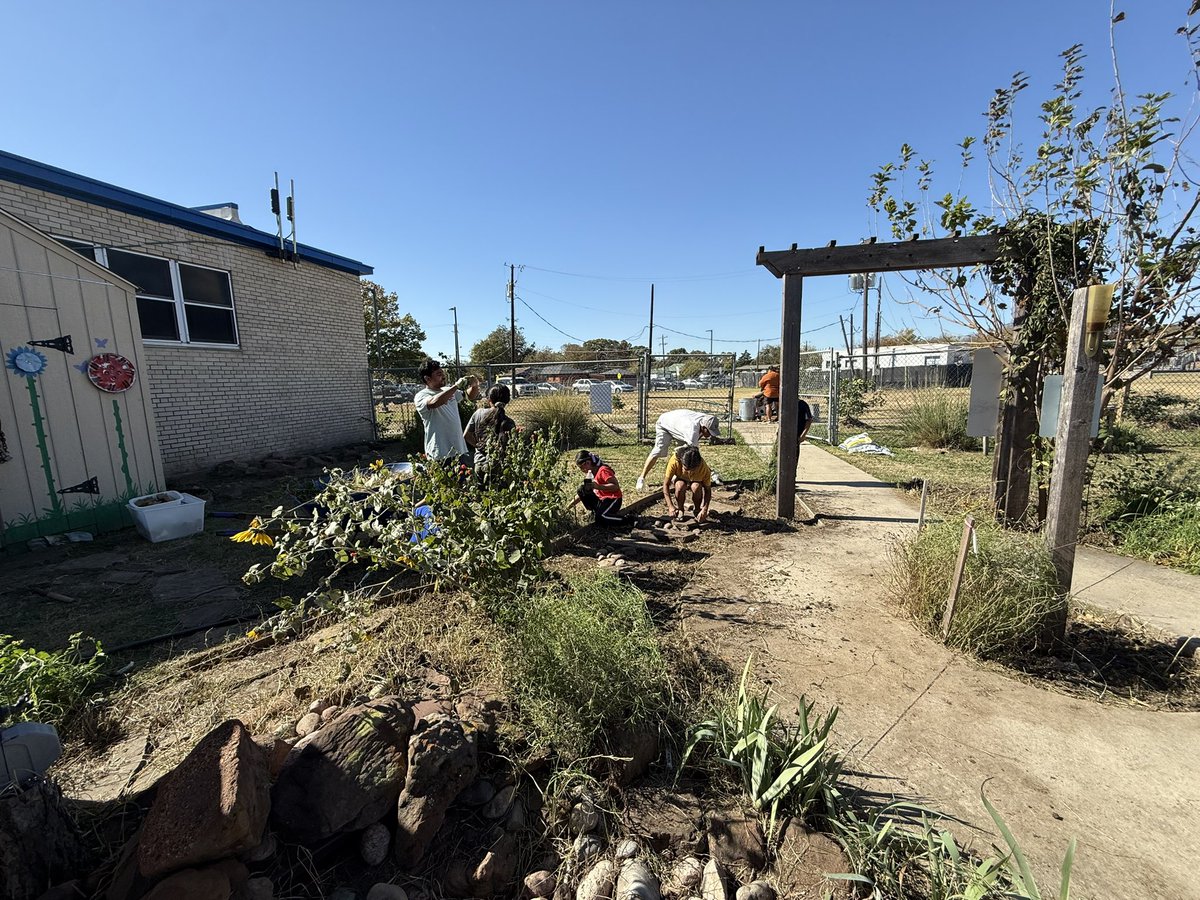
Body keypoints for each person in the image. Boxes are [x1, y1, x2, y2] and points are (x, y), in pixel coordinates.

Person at [414, 359, 481, 465]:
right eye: (439, 374)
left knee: (463, 481)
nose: (443, 376)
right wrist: (455, 387)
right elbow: (434, 403)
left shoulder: (448, 390)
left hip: (459, 450)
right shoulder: (422, 395)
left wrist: (474, 385)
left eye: (442, 373)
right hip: (440, 452)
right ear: (427, 378)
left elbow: (469, 396)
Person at [635, 409, 721, 490]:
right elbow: (695, 455)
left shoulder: (707, 419)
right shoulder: (692, 431)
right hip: (665, 424)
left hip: (679, 425)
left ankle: (676, 476)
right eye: (709, 432)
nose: (710, 435)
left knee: (685, 452)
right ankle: (641, 478)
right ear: (703, 427)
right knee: (659, 450)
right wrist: (710, 473)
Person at [464, 384, 516, 476]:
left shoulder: (478, 413)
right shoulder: (509, 422)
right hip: (500, 465)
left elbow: (466, 435)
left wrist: (479, 446)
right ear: (507, 401)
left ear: (489, 399)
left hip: (480, 462)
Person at [568, 450, 625, 526]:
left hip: (613, 499)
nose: (582, 470)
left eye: (582, 467)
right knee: (582, 490)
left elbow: (615, 486)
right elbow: (581, 495)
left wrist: (598, 486)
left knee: (601, 517)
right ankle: (595, 512)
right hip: (602, 500)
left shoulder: (603, 470)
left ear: (588, 463)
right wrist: (568, 507)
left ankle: (629, 520)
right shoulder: (591, 474)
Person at [663, 445, 712, 523]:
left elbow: (708, 490)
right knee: (680, 485)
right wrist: (670, 506)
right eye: (686, 469)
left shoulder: (704, 468)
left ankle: (697, 509)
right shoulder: (674, 461)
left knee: (696, 487)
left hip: (696, 480)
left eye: (693, 470)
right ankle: (680, 509)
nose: (690, 472)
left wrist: (705, 509)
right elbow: (666, 484)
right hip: (680, 478)